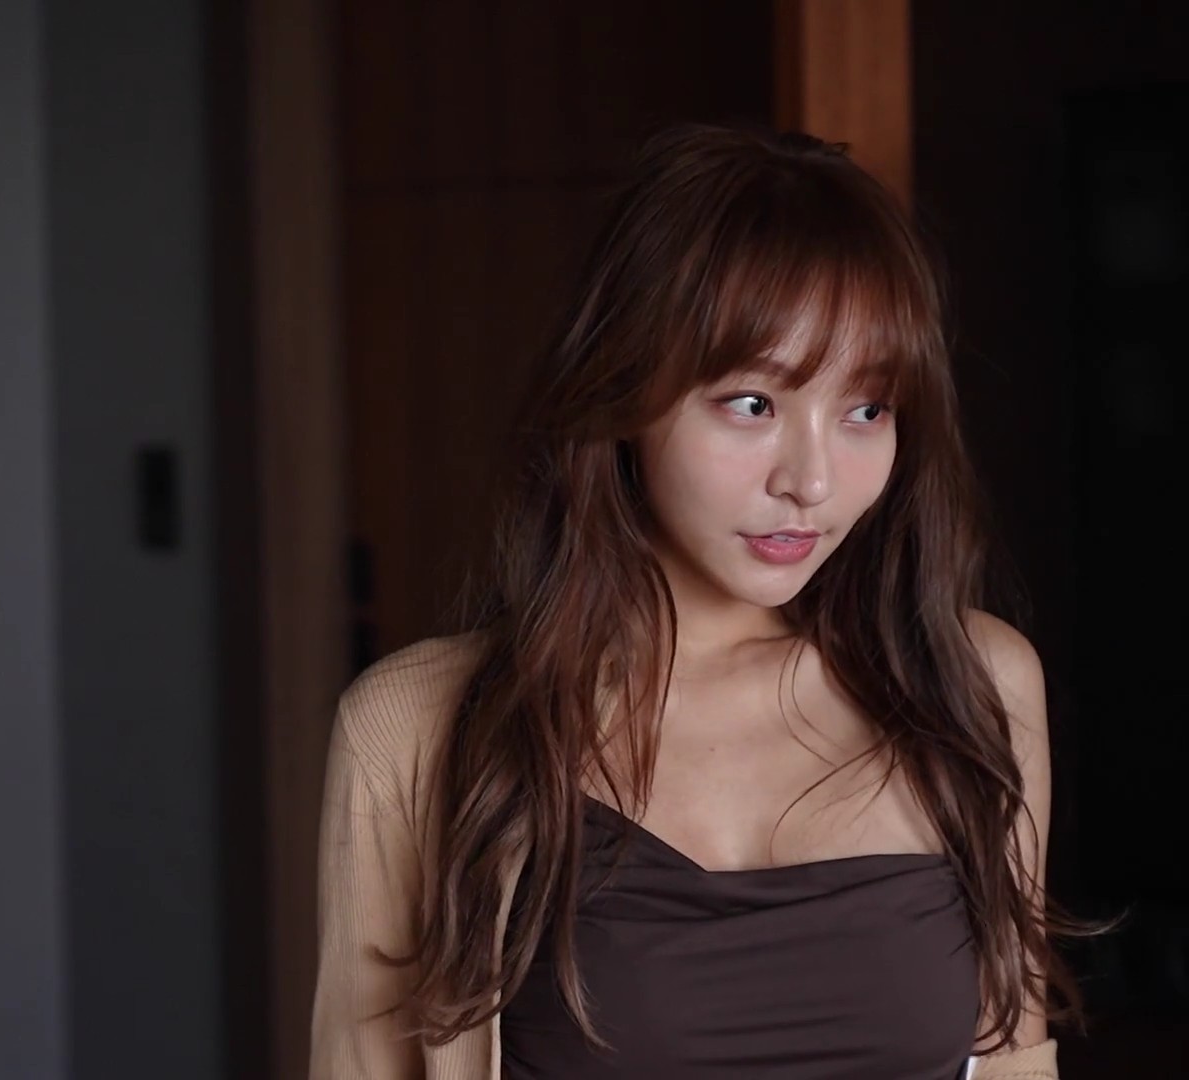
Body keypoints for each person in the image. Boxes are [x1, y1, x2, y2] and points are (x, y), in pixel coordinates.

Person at [309, 125, 1078, 1079]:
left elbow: (1013, 1059)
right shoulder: (418, 731)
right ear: (625, 388)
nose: (812, 481)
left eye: (866, 410)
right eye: (753, 403)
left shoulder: (971, 687)